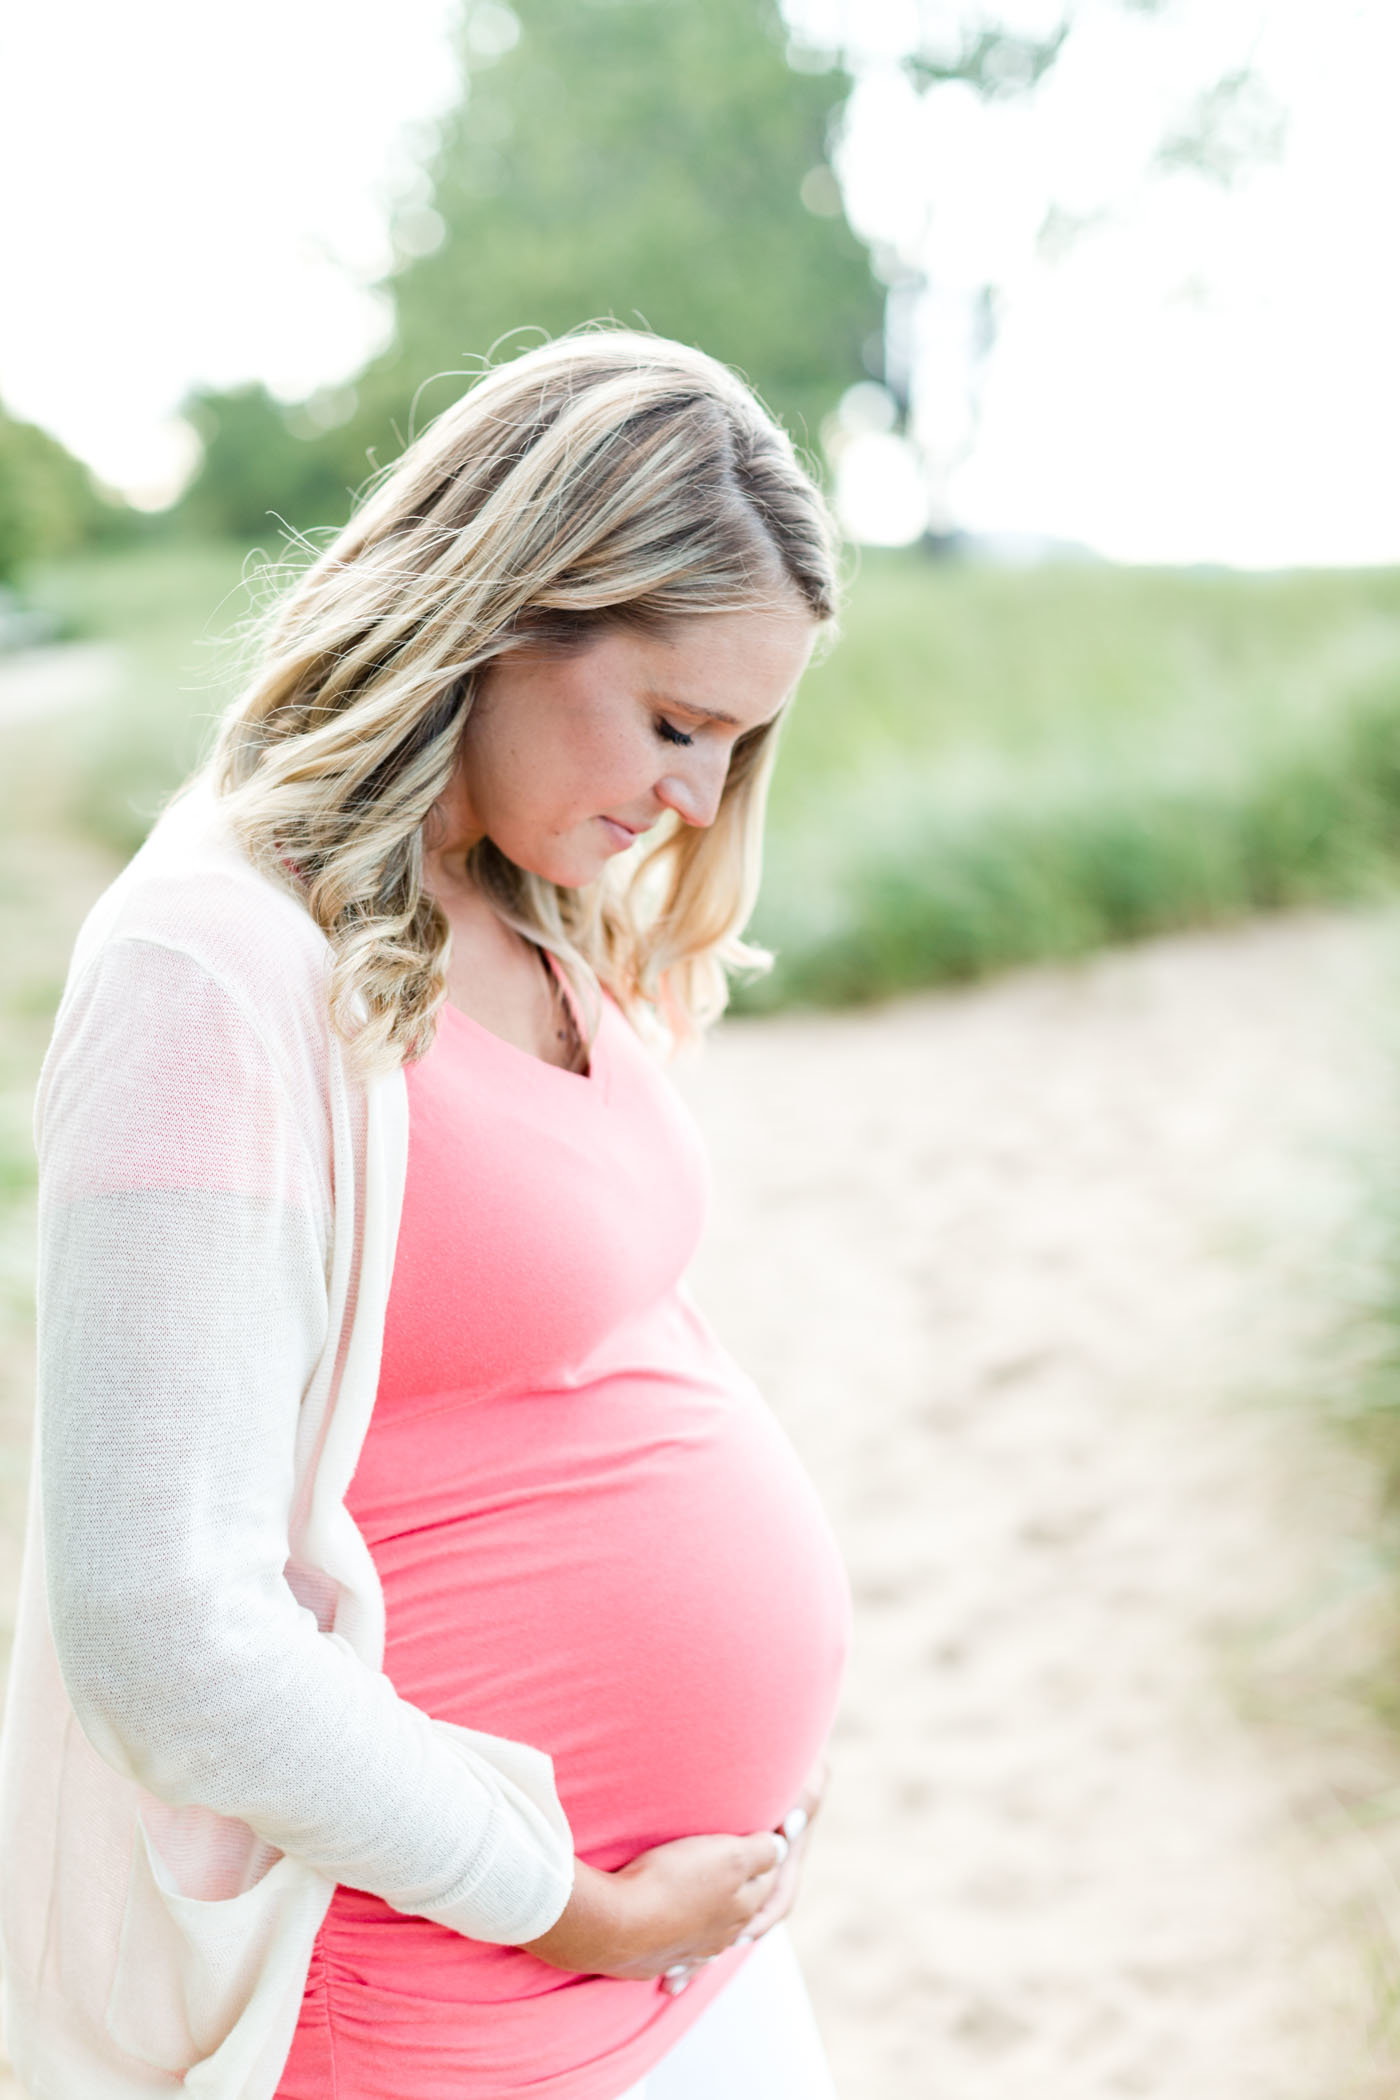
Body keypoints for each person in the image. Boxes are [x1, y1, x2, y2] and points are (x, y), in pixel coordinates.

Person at [0, 329, 853, 2100]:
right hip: (442, 1992)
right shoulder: (213, 965)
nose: (696, 798)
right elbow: (158, 1624)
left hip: (687, 1953)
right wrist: (566, 1904)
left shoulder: (516, 898)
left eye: (739, 744)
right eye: (678, 723)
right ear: (506, 609)